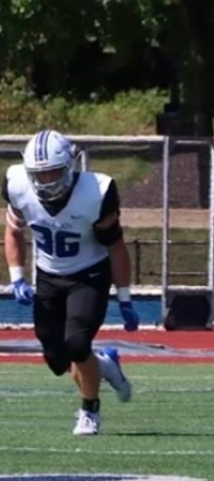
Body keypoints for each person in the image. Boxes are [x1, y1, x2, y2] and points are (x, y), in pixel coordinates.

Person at [4, 129, 139, 436]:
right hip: (49, 275)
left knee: (77, 344)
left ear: (70, 165)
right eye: (40, 174)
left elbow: (115, 246)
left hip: (88, 274)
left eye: (53, 172)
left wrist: (126, 296)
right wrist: (17, 276)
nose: (47, 181)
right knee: (56, 359)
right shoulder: (17, 185)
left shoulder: (96, 191)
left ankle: (89, 411)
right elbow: (12, 231)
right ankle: (104, 366)